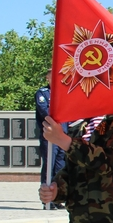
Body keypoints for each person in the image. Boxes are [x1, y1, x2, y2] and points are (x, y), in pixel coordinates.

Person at [35, 69, 67, 208]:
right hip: (49, 135)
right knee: (49, 165)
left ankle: (57, 197)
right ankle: (47, 200)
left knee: (60, 167)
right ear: (47, 78)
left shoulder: (64, 93)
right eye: (51, 76)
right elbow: (45, 111)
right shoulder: (42, 93)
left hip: (63, 134)